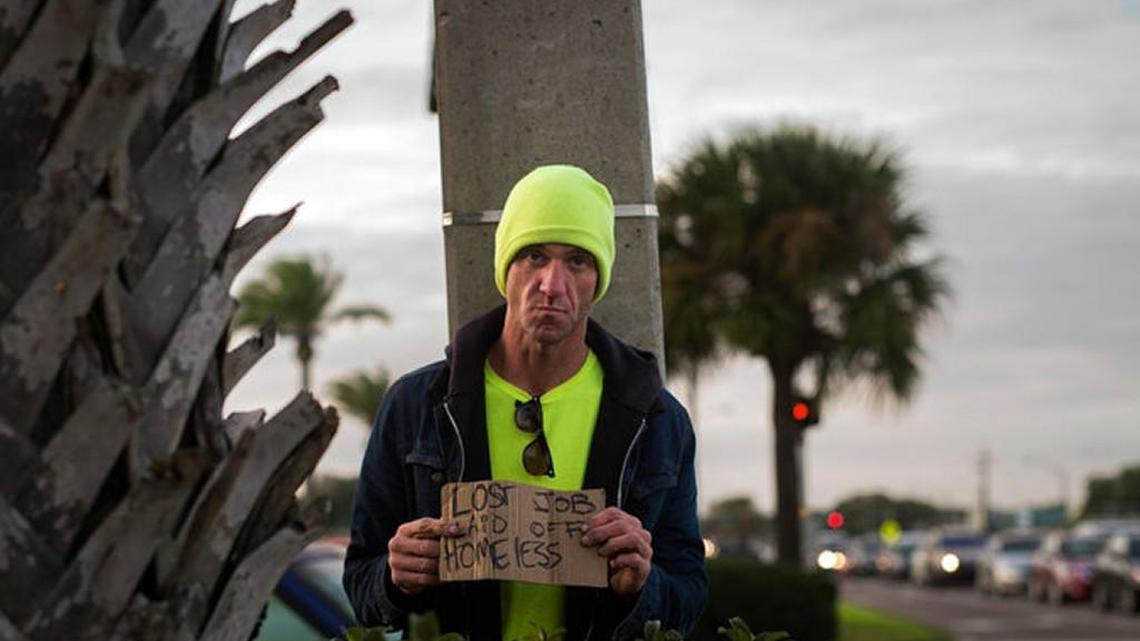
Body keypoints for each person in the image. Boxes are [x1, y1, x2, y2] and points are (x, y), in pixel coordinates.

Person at [343, 165, 706, 641]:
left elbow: (689, 598)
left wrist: (642, 584)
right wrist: (395, 578)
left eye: (577, 261)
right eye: (534, 256)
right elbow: (361, 585)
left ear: (598, 279)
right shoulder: (416, 406)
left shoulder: (657, 419)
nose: (552, 285)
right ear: (505, 270)